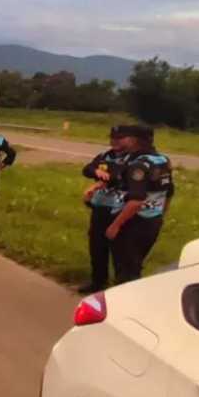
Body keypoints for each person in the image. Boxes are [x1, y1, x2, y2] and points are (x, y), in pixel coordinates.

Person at [106, 125, 174, 284]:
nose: (122, 141)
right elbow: (169, 192)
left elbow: (136, 201)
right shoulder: (163, 160)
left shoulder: (139, 165)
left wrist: (115, 225)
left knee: (126, 270)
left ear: (133, 140)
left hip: (133, 222)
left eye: (125, 137)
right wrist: (160, 215)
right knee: (135, 264)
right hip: (153, 220)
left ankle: (124, 298)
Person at [77, 127, 130, 293]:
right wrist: (95, 170)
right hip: (100, 206)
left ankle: (120, 287)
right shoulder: (105, 156)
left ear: (129, 139)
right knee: (97, 246)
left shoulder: (133, 158)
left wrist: (102, 179)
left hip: (119, 209)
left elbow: (118, 176)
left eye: (119, 138)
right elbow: (87, 169)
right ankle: (98, 281)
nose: (115, 141)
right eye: (113, 138)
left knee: (120, 250)